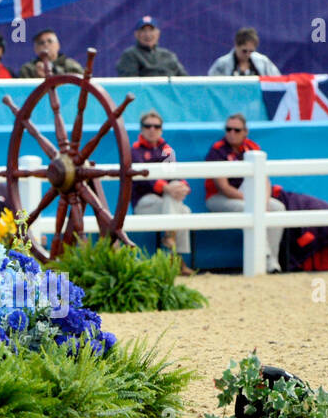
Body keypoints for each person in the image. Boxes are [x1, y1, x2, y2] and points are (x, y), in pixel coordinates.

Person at [203, 114, 286, 273]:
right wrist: (254, 201)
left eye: (236, 130)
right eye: (228, 129)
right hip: (220, 198)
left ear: (245, 132)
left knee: (277, 208)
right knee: (248, 208)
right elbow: (223, 187)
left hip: (249, 196)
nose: (232, 133)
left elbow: (265, 180)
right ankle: (265, 255)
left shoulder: (253, 148)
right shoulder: (217, 150)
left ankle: (273, 261)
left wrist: (263, 200)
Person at [129, 110, 193, 262]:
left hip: (165, 202)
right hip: (144, 202)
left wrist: (183, 186)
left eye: (156, 126)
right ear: (142, 128)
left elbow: (175, 175)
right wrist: (167, 188)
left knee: (183, 210)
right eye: (148, 126)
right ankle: (178, 259)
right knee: (181, 210)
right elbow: (143, 179)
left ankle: (171, 242)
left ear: (161, 129)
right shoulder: (134, 150)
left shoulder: (167, 150)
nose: (152, 129)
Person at [116, 15, 188, 76]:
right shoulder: (130, 55)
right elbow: (131, 83)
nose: (148, 34)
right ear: (136, 34)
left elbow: (184, 80)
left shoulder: (168, 55)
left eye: (151, 30)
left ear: (158, 33)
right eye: (143, 30)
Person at [208, 26, 281, 76]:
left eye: (251, 51)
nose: (248, 54)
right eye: (244, 51)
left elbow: (277, 82)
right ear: (236, 45)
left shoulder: (263, 62)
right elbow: (212, 86)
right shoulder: (222, 64)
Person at [17, 29, 84, 78]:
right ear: (35, 49)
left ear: (58, 45)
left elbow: (82, 86)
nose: (46, 45)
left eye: (50, 41)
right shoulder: (28, 69)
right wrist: (38, 78)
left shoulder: (71, 65)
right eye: (41, 42)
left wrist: (54, 72)